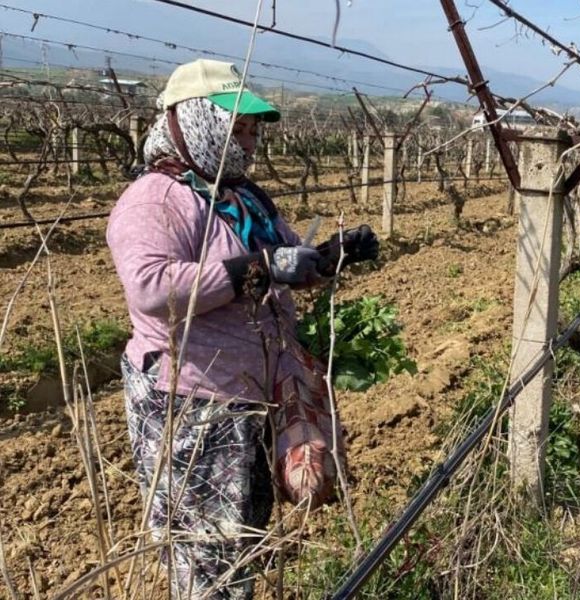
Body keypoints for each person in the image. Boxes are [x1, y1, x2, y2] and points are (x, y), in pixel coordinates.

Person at [107, 59, 378, 598]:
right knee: (208, 552)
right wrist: (258, 267)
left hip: (250, 394)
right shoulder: (157, 199)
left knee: (244, 532)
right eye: (238, 128)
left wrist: (329, 256)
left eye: (253, 130)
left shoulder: (242, 198)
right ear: (192, 121)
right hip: (192, 399)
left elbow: (284, 263)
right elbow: (152, 287)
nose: (249, 142)